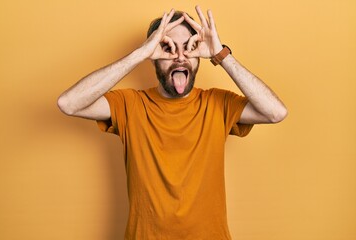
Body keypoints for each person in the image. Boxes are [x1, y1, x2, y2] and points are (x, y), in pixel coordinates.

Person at [58, 6, 287, 240]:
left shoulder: (217, 103)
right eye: (168, 48)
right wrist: (139, 54)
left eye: (189, 48)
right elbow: (69, 103)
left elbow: (275, 112)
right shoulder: (130, 104)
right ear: (154, 56)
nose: (179, 57)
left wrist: (220, 54)